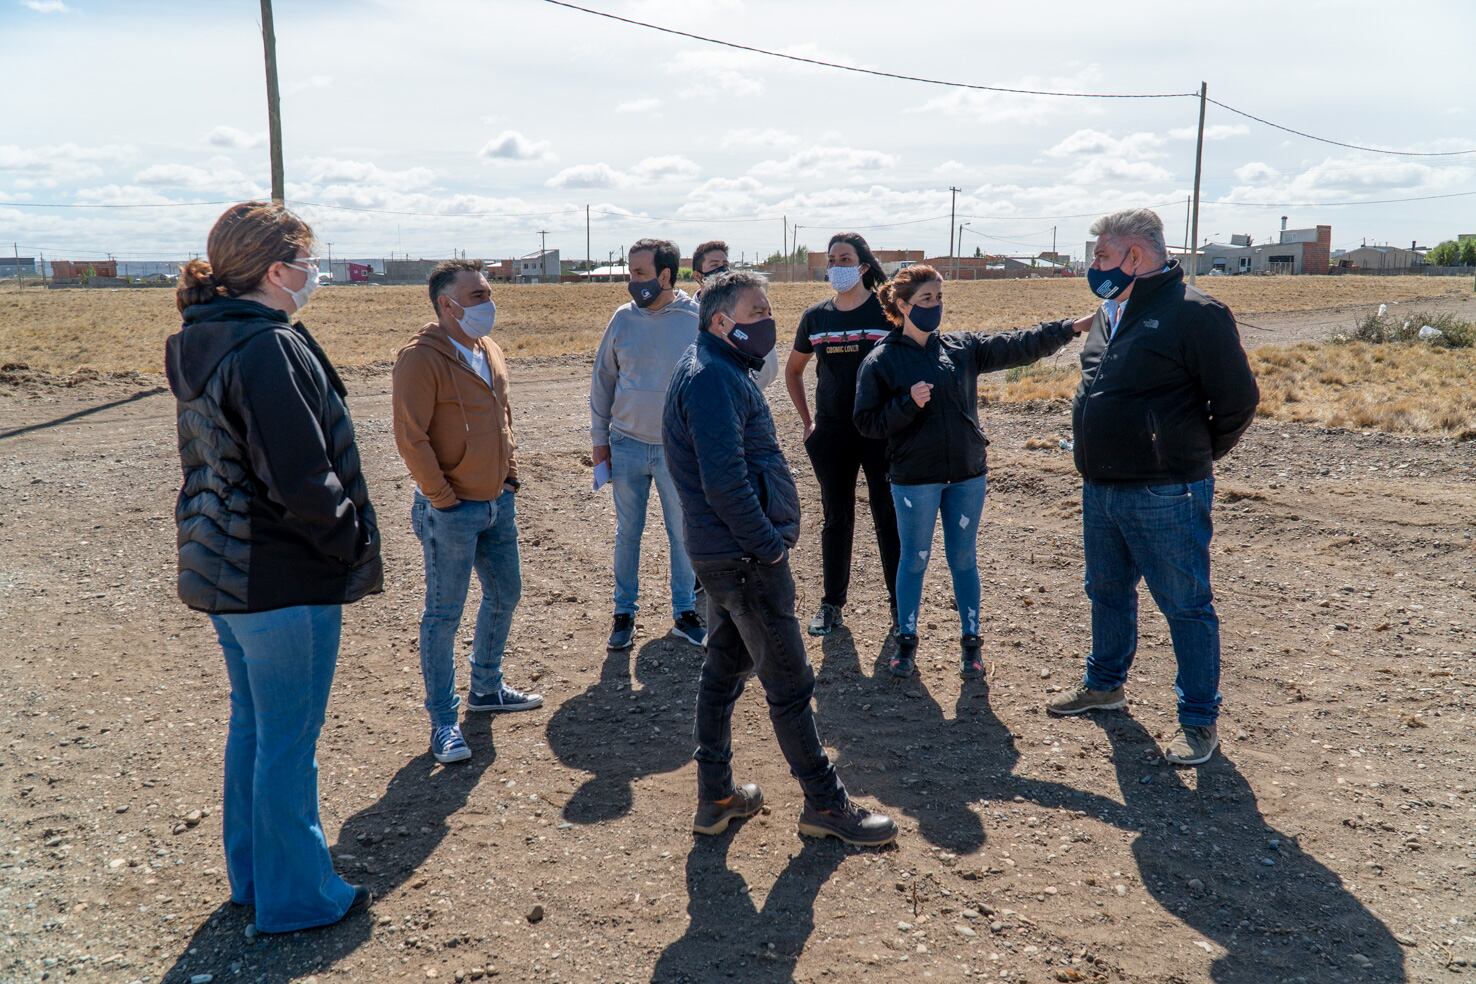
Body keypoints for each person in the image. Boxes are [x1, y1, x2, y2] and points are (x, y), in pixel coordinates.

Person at [165, 201, 380, 932]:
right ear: (276, 269)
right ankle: (300, 899)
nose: (313, 273)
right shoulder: (266, 348)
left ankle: (256, 877)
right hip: (280, 575)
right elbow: (300, 476)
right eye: (308, 261)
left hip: (227, 569)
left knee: (256, 728)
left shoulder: (206, 338)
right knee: (288, 741)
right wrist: (347, 540)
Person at [663, 269, 897, 847]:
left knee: (722, 672)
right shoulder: (713, 378)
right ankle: (826, 805)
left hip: (723, 556)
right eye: (757, 311)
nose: (769, 321)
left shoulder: (713, 367)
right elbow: (725, 482)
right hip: (744, 559)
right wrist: (768, 547)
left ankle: (715, 798)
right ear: (722, 321)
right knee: (790, 685)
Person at [1046, 208, 1259, 767]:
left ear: (1134, 256)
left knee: (1185, 607)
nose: (1093, 266)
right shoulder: (1108, 313)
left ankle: (1197, 721)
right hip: (1101, 487)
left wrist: (1188, 456)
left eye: (1101, 256)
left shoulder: (1194, 313)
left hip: (1167, 492)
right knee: (1107, 591)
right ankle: (1106, 685)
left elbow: (1238, 401)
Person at [854, 265, 1089, 679]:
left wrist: (1069, 327)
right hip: (915, 480)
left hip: (967, 473)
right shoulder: (881, 361)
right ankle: (905, 642)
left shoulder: (960, 348)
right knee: (914, 560)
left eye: (939, 298)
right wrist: (907, 403)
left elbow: (1018, 344)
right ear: (903, 306)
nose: (935, 306)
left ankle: (971, 645)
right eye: (926, 299)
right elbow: (867, 423)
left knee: (964, 559)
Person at [392, 259, 542, 765]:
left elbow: (503, 417)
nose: (487, 303)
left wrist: (510, 475)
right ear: (446, 304)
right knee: (443, 615)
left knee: (506, 592)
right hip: (451, 510)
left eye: (487, 292)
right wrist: (442, 498)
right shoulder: (420, 358)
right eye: (476, 296)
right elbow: (410, 438)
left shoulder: (489, 348)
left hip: (497, 500)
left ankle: (487, 687)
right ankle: (443, 722)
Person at [590, 238, 706, 652]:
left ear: (665, 275)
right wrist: (598, 440)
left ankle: (684, 613)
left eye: (639, 273)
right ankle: (624, 613)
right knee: (629, 533)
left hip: (677, 450)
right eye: (629, 271)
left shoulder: (696, 319)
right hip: (626, 446)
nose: (631, 280)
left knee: (682, 533)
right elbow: (603, 380)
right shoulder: (622, 319)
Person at [784, 232, 901, 637]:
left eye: (845, 258)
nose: (837, 265)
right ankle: (832, 604)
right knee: (837, 518)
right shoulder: (815, 318)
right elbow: (794, 370)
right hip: (832, 433)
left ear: (863, 266)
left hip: (881, 433)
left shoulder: (888, 315)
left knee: (888, 517)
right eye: (832, 259)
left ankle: (900, 606)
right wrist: (807, 422)